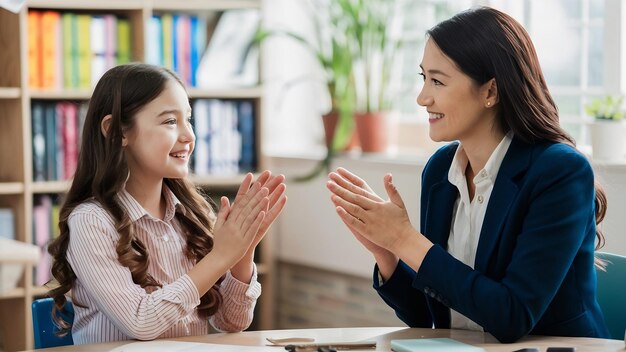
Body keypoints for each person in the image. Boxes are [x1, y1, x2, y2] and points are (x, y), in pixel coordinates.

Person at [326, 6, 610, 343]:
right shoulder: (440, 171)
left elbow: (512, 316)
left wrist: (405, 239)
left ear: (490, 91)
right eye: (423, 78)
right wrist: (387, 252)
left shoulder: (560, 172)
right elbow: (428, 313)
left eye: (438, 81)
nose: (422, 98)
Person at [47, 63, 287, 344]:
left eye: (188, 119)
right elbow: (141, 322)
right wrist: (220, 256)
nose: (189, 136)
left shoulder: (190, 216)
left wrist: (241, 254)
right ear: (117, 130)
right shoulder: (91, 221)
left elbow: (232, 321)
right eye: (170, 122)